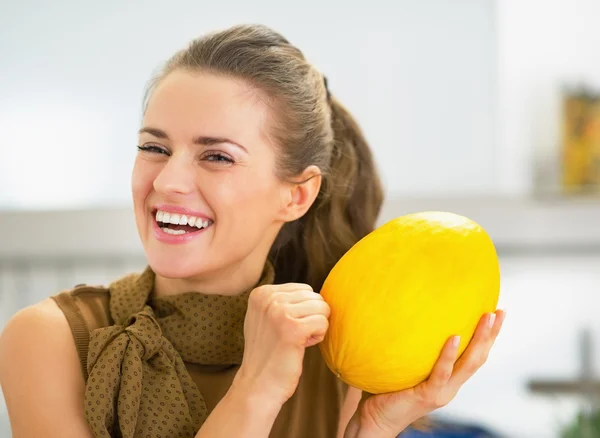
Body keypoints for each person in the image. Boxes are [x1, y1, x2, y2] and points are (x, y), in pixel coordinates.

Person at [0, 24, 505, 438]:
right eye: (154, 147)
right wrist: (256, 390)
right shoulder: (51, 339)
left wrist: (374, 428)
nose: (168, 181)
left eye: (216, 156)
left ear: (297, 194)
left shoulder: (338, 353)